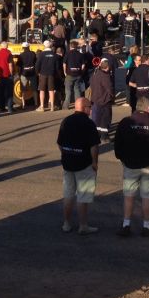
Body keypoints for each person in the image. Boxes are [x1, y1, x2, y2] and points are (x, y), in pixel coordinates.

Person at [114, 96, 149, 237]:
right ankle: (146, 225)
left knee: (128, 196)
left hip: (130, 165)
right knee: (147, 197)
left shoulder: (125, 123)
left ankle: (126, 224)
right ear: (148, 108)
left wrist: (122, 159)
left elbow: (117, 144)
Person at [56, 97, 101, 235]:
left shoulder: (66, 121)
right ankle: (83, 226)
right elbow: (94, 146)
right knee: (83, 196)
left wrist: (65, 154)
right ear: (84, 108)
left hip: (68, 164)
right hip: (84, 164)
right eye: (89, 106)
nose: (91, 109)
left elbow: (59, 142)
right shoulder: (89, 124)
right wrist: (94, 162)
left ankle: (66, 224)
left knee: (68, 195)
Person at [88, 58, 115, 143]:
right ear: (107, 68)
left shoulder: (95, 74)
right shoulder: (106, 76)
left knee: (97, 119)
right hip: (104, 100)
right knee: (105, 119)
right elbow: (109, 89)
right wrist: (112, 97)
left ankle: (98, 135)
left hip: (95, 99)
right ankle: (104, 137)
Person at [63, 40, 87, 109]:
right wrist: (81, 72)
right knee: (77, 90)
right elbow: (83, 65)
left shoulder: (67, 54)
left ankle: (66, 106)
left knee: (68, 91)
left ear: (70, 46)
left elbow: (64, 64)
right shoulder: (80, 54)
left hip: (69, 74)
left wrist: (65, 72)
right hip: (78, 74)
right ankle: (78, 106)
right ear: (77, 47)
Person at [37, 39, 60, 111]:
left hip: (43, 74)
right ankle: (52, 106)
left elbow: (37, 65)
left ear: (44, 46)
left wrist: (38, 72)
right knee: (51, 90)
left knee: (42, 90)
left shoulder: (41, 54)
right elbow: (57, 67)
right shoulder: (55, 55)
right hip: (51, 74)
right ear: (50, 46)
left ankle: (42, 106)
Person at [0, 40, 16, 113]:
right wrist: (12, 73)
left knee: (1, 92)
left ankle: (2, 108)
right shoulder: (8, 53)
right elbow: (10, 65)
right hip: (8, 75)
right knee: (9, 92)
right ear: (7, 46)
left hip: (0, 75)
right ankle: (10, 108)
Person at [17, 41, 37, 109]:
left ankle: (23, 105)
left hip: (24, 73)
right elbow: (36, 63)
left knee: (23, 90)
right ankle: (36, 104)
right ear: (29, 47)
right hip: (32, 73)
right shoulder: (33, 54)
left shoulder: (21, 55)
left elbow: (19, 66)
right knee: (34, 89)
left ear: (23, 48)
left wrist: (19, 73)